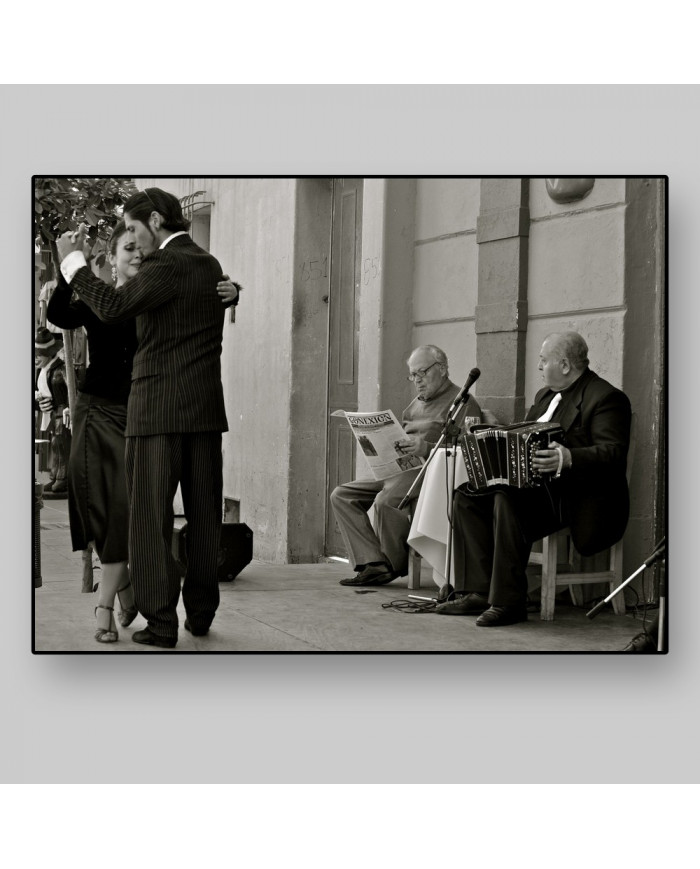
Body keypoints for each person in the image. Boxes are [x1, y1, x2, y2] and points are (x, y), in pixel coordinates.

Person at [57, 187, 240, 648]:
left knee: (150, 523)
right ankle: (200, 614)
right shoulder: (209, 264)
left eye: (135, 228)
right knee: (202, 518)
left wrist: (74, 264)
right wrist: (233, 292)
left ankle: (161, 625)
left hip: (157, 412)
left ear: (156, 220)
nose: (134, 240)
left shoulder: (165, 263)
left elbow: (114, 307)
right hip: (203, 412)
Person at [436, 331, 632, 626]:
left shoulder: (606, 398)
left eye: (543, 360)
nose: (539, 367)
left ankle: (508, 602)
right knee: (467, 494)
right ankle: (476, 590)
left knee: (508, 498)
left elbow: (613, 452)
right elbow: (525, 435)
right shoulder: (544, 396)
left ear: (565, 365)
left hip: (576, 497)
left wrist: (567, 458)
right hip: (535, 490)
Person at [331, 345, 482, 587]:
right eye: (413, 375)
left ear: (442, 369)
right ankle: (373, 562)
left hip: (431, 471)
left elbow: (466, 450)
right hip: (398, 468)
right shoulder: (414, 405)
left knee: (385, 500)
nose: (417, 381)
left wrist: (426, 447)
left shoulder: (462, 403)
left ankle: (392, 564)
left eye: (422, 372)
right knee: (342, 495)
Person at [34, 327, 70, 496]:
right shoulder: (42, 371)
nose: (35, 359)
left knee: (61, 444)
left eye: (38, 355)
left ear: (49, 353)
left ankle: (63, 478)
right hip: (50, 414)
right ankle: (55, 475)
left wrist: (68, 407)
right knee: (54, 446)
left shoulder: (60, 369)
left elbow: (72, 389)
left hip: (61, 413)